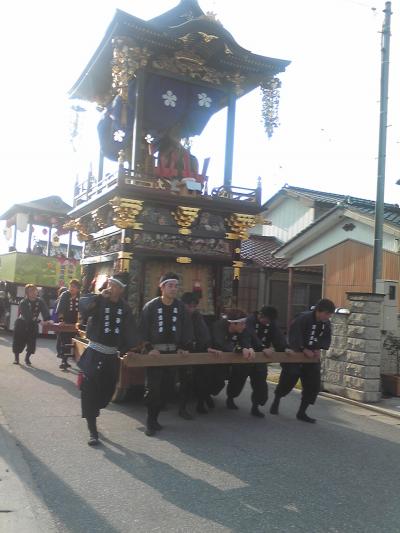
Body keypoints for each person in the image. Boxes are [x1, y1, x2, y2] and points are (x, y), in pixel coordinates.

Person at [78, 274, 138, 445]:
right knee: (89, 391)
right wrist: (97, 297)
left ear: (121, 289)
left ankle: (95, 410)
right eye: (110, 284)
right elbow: (84, 309)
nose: (111, 287)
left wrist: (130, 348)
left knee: (106, 393)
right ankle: (92, 431)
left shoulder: (125, 308)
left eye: (115, 285)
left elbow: (129, 330)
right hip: (94, 353)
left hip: (111, 356)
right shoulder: (98, 300)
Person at [138, 272, 193, 437]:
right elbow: (143, 330)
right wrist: (148, 348)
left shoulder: (181, 307)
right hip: (156, 353)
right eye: (170, 285)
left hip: (173, 354)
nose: (174, 289)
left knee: (167, 388)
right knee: (153, 388)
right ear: (161, 287)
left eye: (176, 286)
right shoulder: (151, 306)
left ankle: (156, 418)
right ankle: (150, 420)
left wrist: (183, 347)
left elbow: (186, 328)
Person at [269, 298, 335, 423]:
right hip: (296, 354)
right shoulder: (303, 318)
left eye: (330, 314)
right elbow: (294, 336)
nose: (328, 316)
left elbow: (325, 338)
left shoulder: (325, 323)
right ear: (319, 311)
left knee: (313, 384)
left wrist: (318, 348)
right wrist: (303, 349)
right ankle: (277, 400)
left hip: (311, 358)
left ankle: (302, 412)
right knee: (289, 379)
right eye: (327, 313)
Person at [242, 306, 288, 418]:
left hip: (261, 358)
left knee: (260, 383)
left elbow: (278, 336)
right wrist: (262, 348)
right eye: (265, 319)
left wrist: (284, 348)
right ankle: (230, 397)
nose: (267, 322)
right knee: (237, 381)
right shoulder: (250, 320)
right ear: (260, 316)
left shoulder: (271, 324)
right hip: (245, 354)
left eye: (269, 321)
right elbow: (250, 335)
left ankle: (255, 407)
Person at [181, 292, 221, 414]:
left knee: (204, 375)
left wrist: (207, 347)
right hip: (179, 350)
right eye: (189, 306)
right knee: (185, 380)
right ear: (183, 305)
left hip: (195, 349)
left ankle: (201, 401)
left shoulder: (197, 316)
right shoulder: (177, 314)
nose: (192, 309)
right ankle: (182, 408)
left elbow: (203, 334)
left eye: (194, 306)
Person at [211, 309, 256, 411]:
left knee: (242, 370)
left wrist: (249, 348)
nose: (244, 326)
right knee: (217, 380)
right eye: (242, 323)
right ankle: (205, 395)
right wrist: (239, 349)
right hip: (216, 356)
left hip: (234, 357)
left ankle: (231, 397)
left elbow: (246, 340)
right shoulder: (219, 326)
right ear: (233, 324)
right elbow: (220, 343)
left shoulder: (243, 329)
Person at [12, 284, 51, 365]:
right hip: (22, 324)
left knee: (32, 343)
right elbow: (28, 316)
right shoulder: (23, 302)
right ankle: (16, 358)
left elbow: (45, 311)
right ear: (27, 293)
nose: (33, 292)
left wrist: (48, 320)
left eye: (35, 290)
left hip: (33, 325)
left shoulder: (40, 301)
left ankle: (27, 358)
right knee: (18, 341)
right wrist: (40, 321)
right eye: (31, 291)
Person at [56, 280, 81, 370]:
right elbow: (61, 309)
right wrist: (62, 320)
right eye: (70, 286)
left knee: (73, 342)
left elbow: (82, 310)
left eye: (74, 287)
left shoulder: (80, 296)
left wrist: (80, 321)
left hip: (76, 323)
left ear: (78, 289)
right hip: (65, 322)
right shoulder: (65, 295)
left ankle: (68, 360)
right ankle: (64, 361)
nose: (71, 288)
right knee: (64, 341)